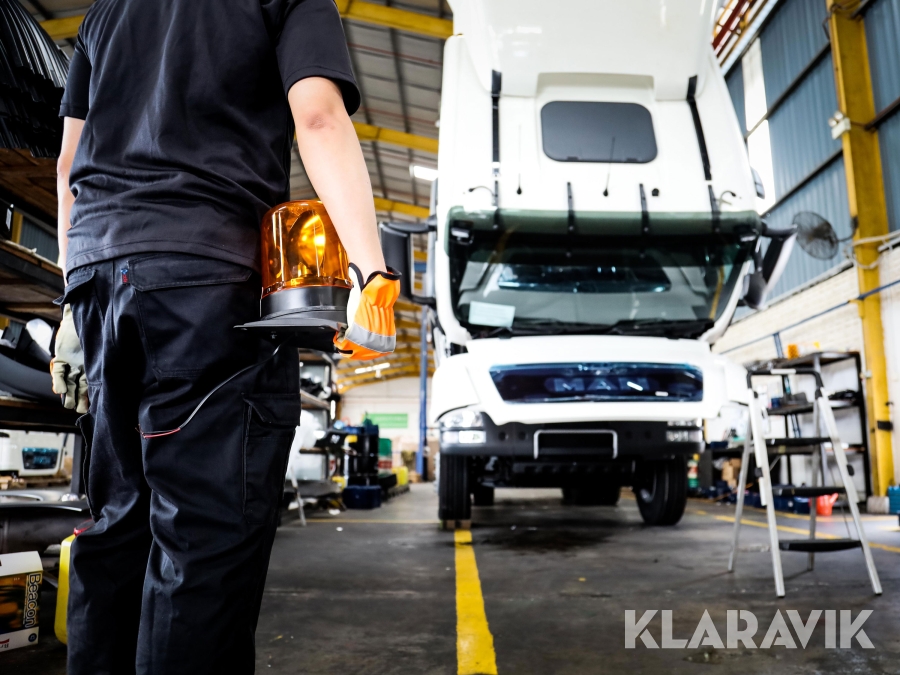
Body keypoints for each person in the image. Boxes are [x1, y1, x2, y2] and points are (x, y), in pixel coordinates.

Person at [50, 1, 398, 672]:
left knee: (116, 522)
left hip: (98, 274)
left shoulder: (105, 14)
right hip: (206, 276)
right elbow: (318, 117)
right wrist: (370, 269)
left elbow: (68, 165)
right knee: (204, 538)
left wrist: (71, 294)